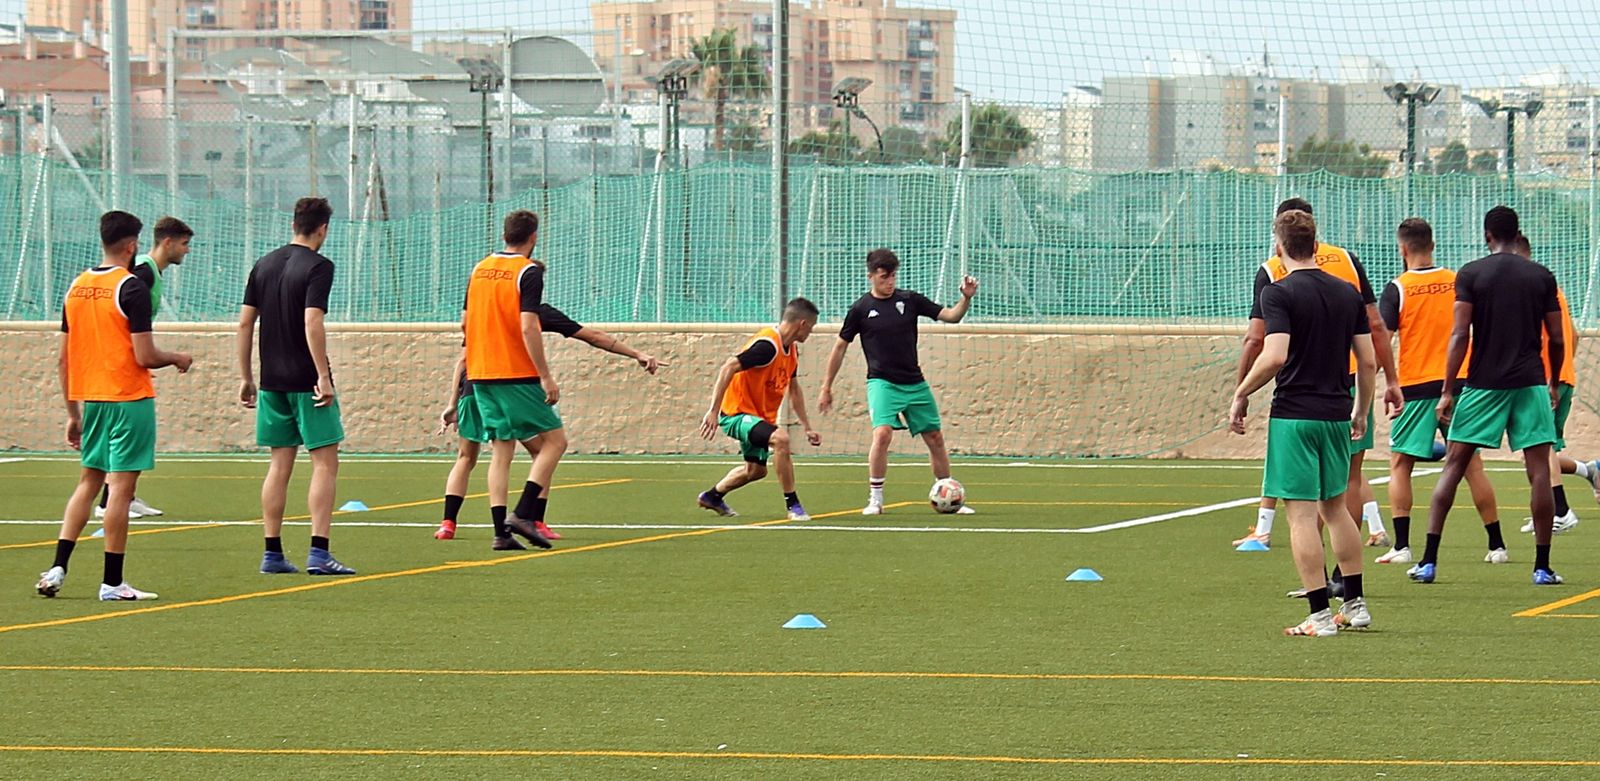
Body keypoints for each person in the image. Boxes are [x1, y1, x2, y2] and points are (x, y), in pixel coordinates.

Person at [1232, 199, 1401, 598]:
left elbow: (1273, 355)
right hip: (1337, 411)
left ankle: (1319, 612)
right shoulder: (1346, 292)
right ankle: (1355, 602)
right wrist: (1360, 410)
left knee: (1302, 517)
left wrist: (1241, 391)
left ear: (1279, 245)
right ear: (1315, 242)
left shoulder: (1278, 292)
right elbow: (1366, 360)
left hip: (1294, 414)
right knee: (1337, 509)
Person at [35, 210, 192, 601]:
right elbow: (144, 355)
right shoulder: (131, 288)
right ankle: (112, 582)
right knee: (120, 491)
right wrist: (176, 357)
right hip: (129, 399)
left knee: (89, 483)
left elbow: (64, 358)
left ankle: (57, 568)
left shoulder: (77, 286)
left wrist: (73, 414)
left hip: (93, 400)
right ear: (133, 245)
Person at [1412, 206, 1565, 586]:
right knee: (1539, 470)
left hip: (1483, 385)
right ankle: (1542, 567)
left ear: (1487, 236)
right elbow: (1557, 337)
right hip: (1530, 383)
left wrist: (1448, 390)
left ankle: (1428, 561)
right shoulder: (1541, 276)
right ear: (1517, 235)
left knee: (1454, 465)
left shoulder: (1472, 273)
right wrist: (1554, 381)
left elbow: (1460, 335)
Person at [435, 304, 661, 542]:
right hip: (511, 389)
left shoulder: (489, 311)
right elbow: (593, 336)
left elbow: (463, 359)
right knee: (545, 449)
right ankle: (532, 521)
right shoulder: (534, 313)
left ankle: (449, 524)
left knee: (468, 457)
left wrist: (452, 402)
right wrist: (637, 353)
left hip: (473, 389)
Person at [238, 197, 357, 576]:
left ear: (294, 224)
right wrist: (322, 375)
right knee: (324, 462)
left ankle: (272, 552)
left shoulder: (264, 264)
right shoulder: (319, 266)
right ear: (322, 228)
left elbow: (244, 324)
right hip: (306, 381)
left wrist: (246, 376)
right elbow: (312, 322)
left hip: (271, 381)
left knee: (279, 463)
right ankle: (319, 552)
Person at [1377, 218, 1503, 565]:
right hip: (1460, 382)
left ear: (1403, 248)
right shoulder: (1457, 281)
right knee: (1471, 464)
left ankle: (1402, 546)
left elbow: (1383, 341)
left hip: (1416, 386)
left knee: (1400, 463)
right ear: (1432, 245)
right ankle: (1497, 545)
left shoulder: (1397, 288)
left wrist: (1381, 378)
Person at [817, 249, 978, 515]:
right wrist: (826, 387)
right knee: (882, 434)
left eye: (892, 276)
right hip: (882, 383)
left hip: (914, 382)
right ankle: (875, 499)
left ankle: (947, 492)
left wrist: (966, 298)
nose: (889, 282)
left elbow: (951, 316)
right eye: (883, 277)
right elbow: (840, 347)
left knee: (935, 437)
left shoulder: (909, 300)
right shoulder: (860, 309)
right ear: (871, 276)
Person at [462, 210, 564, 551]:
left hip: (479, 372)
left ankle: (500, 533)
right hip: (514, 371)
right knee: (555, 442)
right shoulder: (528, 271)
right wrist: (545, 376)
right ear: (533, 237)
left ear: (505, 234)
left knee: (501, 450)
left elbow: (465, 322)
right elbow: (527, 325)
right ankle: (523, 514)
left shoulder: (478, 269)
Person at [93, 215, 193, 524]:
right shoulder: (141, 274)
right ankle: (109, 501)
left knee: (127, 441)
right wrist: (165, 357)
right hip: (120, 371)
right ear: (167, 242)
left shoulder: (152, 274)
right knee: (122, 440)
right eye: (184, 244)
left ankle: (124, 497)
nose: (187, 251)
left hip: (131, 364)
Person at [698, 298, 822, 519]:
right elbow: (729, 366)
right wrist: (713, 411)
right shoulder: (767, 347)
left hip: (757, 417)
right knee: (781, 439)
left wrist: (807, 427)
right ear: (802, 324)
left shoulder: (792, 350)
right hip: (735, 414)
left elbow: (794, 390)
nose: (810, 333)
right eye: (811, 328)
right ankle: (793, 505)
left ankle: (712, 496)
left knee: (756, 471)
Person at [1511, 234, 1598, 536]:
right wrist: (1564, 371)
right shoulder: (1552, 289)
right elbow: (1571, 335)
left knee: (1540, 448)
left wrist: (1552, 375)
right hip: (1561, 379)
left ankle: (1560, 511)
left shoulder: (1530, 290)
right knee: (1537, 450)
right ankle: (1589, 471)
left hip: (1547, 382)